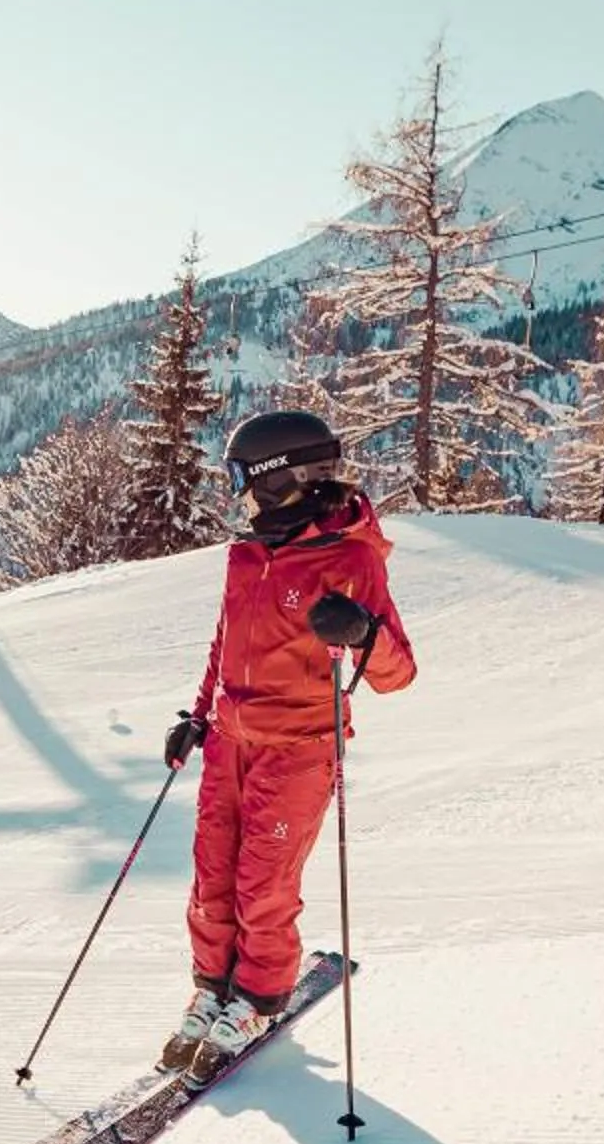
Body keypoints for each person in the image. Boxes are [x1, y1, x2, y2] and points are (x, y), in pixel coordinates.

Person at [159, 409, 416, 1084]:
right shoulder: (247, 554)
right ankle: (213, 986)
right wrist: (198, 713)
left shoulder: (350, 558)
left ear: (281, 479)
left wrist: (362, 634)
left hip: (298, 748)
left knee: (263, 885)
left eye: (244, 478)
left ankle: (257, 998)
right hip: (228, 744)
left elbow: (396, 673)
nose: (237, 492)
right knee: (211, 878)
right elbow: (225, 641)